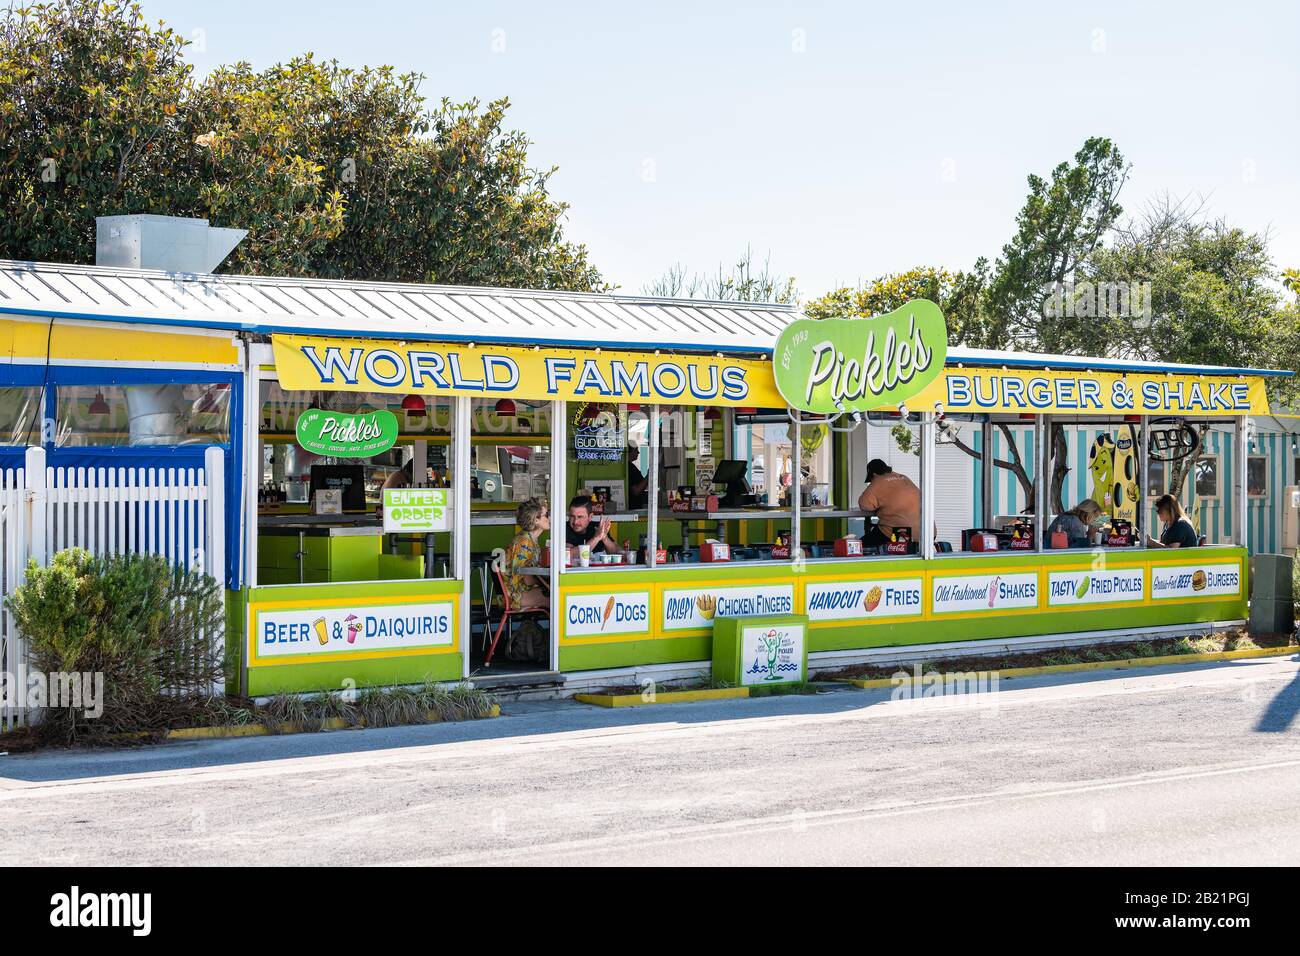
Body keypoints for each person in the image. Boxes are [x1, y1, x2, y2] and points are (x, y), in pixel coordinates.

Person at [857, 459, 921, 546]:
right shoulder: (904, 477)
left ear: (873, 474)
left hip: (899, 534)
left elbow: (864, 505)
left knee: (861, 546)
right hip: (926, 533)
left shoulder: (878, 480)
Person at [504, 497, 550, 610]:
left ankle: (530, 626)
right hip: (515, 596)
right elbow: (527, 579)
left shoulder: (530, 539)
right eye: (546, 514)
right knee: (556, 598)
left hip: (519, 591)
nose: (549, 518)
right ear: (536, 520)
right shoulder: (524, 542)